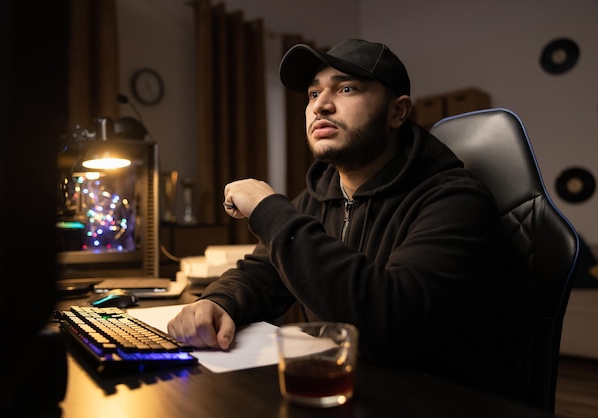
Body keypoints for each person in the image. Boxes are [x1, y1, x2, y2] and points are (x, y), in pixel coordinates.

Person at [168, 38, 531, 402]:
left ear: (397, 112)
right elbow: (262, 272)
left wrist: (269, 210)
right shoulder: (318, 195)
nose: (320, 105)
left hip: (436, 403)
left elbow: (390, 326)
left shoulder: (455, 199)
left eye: (346, 88)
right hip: (350, 390)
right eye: (312, 94)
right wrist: (219, 302)